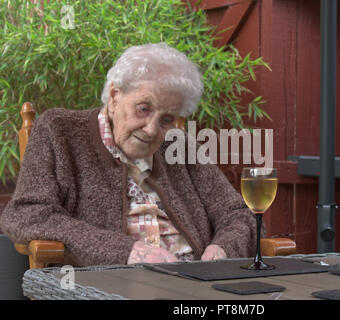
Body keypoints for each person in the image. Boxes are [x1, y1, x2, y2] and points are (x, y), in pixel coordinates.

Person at [0, 43, 259, 267]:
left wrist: (224, 248)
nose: (151, 129)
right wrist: (125, 251)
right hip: (109, 285)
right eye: (144, 109)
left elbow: (240, 215)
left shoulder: (180, 147)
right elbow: (26, 214)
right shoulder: (59, 131)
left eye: (166, 119)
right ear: (114, 96)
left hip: (196, 285)